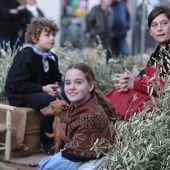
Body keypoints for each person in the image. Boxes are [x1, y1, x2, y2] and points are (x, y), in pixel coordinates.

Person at [5, 18, 68, 155]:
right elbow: (17, 84)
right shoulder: (26, 54)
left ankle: (67, 137)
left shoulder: (52, 57)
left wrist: (59, 87)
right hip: (21, 94)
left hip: (40, 91)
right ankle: (46, 142)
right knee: (48, 101)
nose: (52, 38)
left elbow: (56, 77)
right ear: (34, 38)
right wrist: (43, 89)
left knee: (67, 98)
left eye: (53, 35)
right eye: (47, 35)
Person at [38, 63, 117, 170]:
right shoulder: (77, 105)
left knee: (45, 166)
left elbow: (75, 156)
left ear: (91, 86)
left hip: (93, 161)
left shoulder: (89, 116)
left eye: (78, 82)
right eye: (68, 83)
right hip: (81, 157)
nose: (72, 87)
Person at [105, 6, 170, 119]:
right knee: (117, 93)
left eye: (164, 23)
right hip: (154, 98)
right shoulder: (157, 54)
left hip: (163, 105)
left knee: (120, 100)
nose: (159, 28)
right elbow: (147, 77)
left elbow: (166, 87)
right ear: (150, 31)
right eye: (154, 25)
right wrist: (130, 80)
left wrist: (135, 83)